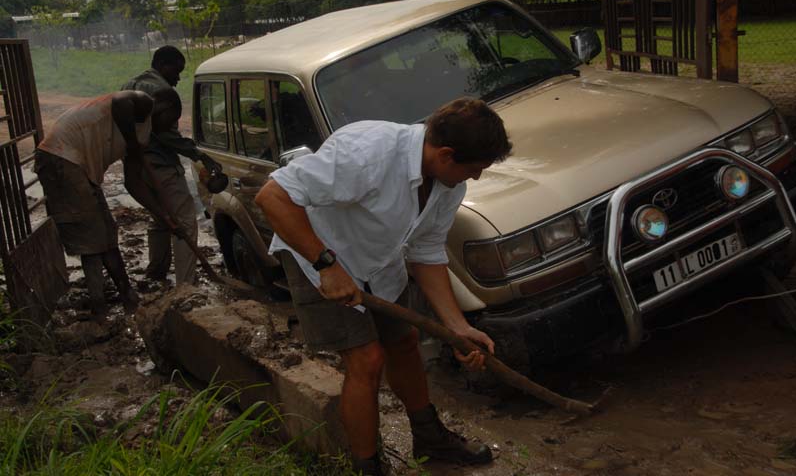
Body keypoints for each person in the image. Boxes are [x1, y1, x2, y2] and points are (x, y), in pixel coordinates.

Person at [255, 97, 513, 475]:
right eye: (474, 170)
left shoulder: (446, 183)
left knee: (404, 342)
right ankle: (367, 466)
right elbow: (272, 196)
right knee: (367, 360)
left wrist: (458, 328)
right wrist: (327, 265)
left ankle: (429, 437)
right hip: (316, 252)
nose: (474, 178)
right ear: (445, 154)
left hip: (378, 259)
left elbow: (425, 251)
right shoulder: (368, 152)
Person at [34, 91, 176, 317]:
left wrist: (162, 215)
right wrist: (132, 143)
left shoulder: (144, 136)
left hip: (80, 166)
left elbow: (133, 183)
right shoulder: (144, 102)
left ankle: (126, 295)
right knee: (90, 237)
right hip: (61, 156)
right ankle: (99, 307)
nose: (171, 126)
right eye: (173, 119)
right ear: (165, 109)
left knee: (107, 233)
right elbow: (120, 102)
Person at [122, 46, 221, 285]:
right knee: (185, 220)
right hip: (160, 165)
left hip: (137, 165)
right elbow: (166, 135)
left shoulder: (130, 85)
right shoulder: (162, 92)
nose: (177, 80)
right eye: (176, 72)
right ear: (164, 65)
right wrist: (199, 155)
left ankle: (157, 271)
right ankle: (186, 283)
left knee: (160, 218)